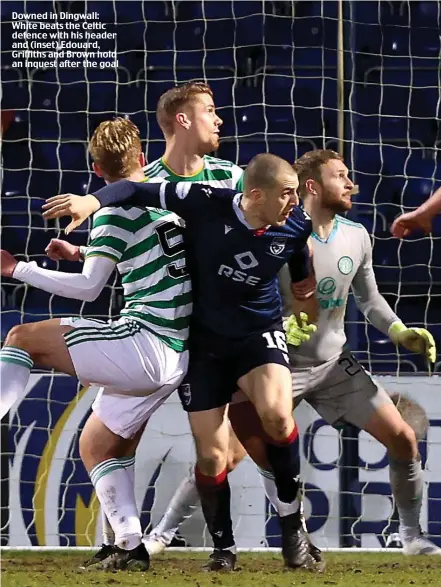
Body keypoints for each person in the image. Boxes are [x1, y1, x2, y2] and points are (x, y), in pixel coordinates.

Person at [42, 153, 319, 571]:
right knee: (212, 456)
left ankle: (292, 523)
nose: (296, 203)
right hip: (203, 343)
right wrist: (90, 203)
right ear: (255, 195)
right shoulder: (205, 201)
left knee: (278, 418)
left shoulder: (296, 224)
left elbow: (302, 278)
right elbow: (134, 190)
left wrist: (303, 313)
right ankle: (223, 550)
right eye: (288, 194)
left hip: (255, 334)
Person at [0, 117, 192, 571]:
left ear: (96, 170)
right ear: (143, 157)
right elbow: (143, 255)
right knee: (97, 446)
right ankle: (130, 545)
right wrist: (83, 251)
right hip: (178, 351)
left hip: (145, 340)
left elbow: (89, 290)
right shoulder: (166, 198)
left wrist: (17, 270)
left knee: (21, 337)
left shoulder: (110, 211)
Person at [229, 149, 438, 556]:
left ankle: (411, 537)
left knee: (403, 438)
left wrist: (400, 331)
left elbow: (370, 299)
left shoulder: (356, 235)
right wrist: (274, 326)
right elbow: (243, 291)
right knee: (222, 455)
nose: (350, 183)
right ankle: (162, 534)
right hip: (277, 364)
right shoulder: (277, 233)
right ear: (312, 186)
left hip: (332, 366)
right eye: (339, 176)